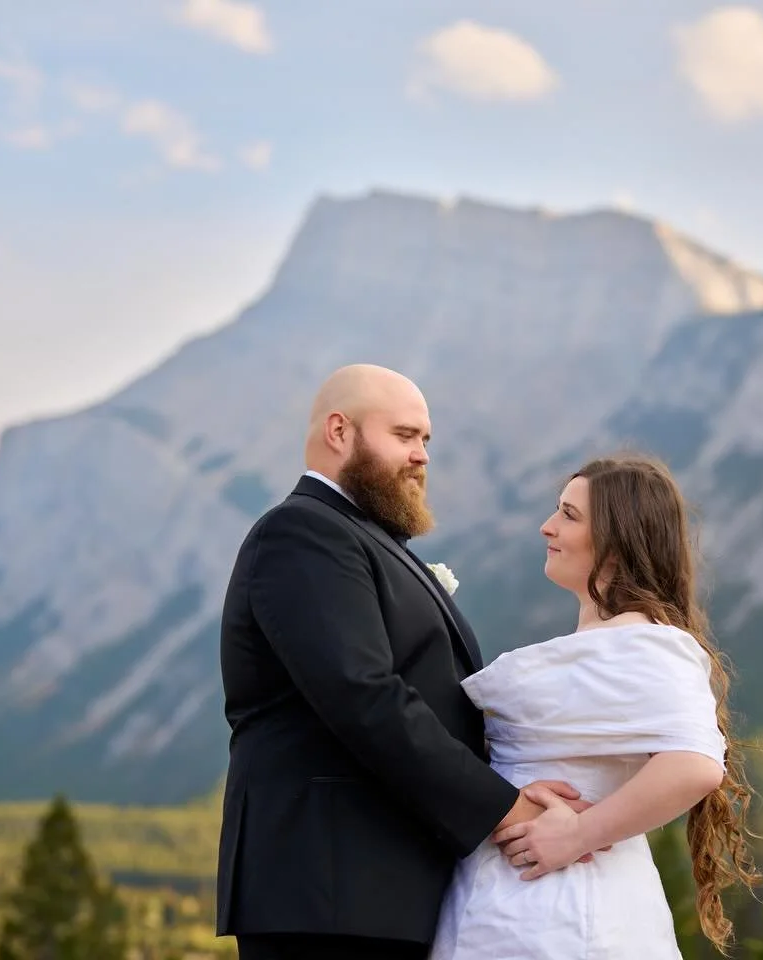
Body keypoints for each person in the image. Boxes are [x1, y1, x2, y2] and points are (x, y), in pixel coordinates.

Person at [215, 364, 585, 960]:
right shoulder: (303, 531)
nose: (422, 457)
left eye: (426, 441)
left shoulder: (363, 537)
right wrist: (505, 807)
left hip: (371, 889)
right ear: (340, 431)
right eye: (406, 436)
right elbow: (363, 695)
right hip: (328, 890)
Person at [430, 455, 761, 959]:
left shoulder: (645, 641)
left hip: (566, 910)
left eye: (568, 515)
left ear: (615, 541)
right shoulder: (609, 640)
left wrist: (578, 833)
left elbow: (693, 765)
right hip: (509, 902)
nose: (547, 527)